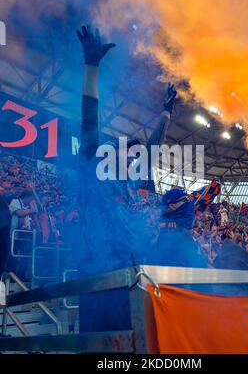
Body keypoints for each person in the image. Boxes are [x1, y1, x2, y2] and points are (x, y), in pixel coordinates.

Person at [76, 25, 176, 332]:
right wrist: (92, 68)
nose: (135, 157)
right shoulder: (94, 169)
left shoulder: (134, 186)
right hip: (98, 274)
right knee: (101, 344)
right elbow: (89, 118)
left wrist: (167, 113)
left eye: (136, 154)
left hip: (132, 273)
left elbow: (154, 145)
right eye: (128, 151)